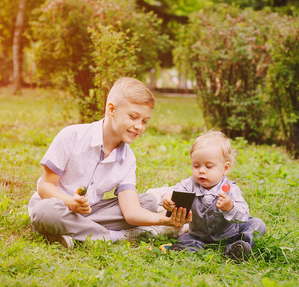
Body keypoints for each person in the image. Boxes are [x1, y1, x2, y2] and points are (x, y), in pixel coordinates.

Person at [28, 77, 191, 249]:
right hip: (56, 206)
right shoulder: (71, 136)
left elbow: (131, 212)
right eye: (133, 117)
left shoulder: (128, 158)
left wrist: (163, 220)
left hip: (91, 213)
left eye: (144, 121)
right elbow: (45, 187)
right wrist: (70, 203)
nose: (139, 126)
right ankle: (117, 237)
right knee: (45, 211)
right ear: (111, 110)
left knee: (148, 203)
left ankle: (74, 233)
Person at [161, 130, 266, 261]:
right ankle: (188, 251)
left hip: (230, 235)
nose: (201, 171)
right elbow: (174, 191)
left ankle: (237, 247)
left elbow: (243, 215)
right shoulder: (189, 185)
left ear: (225, 168)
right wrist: (167, 197)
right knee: (184, 237)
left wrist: (230, 207)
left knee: (257, 224)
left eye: (209, 166)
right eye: (196, 165)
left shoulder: (230, 189)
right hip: (198, 236)